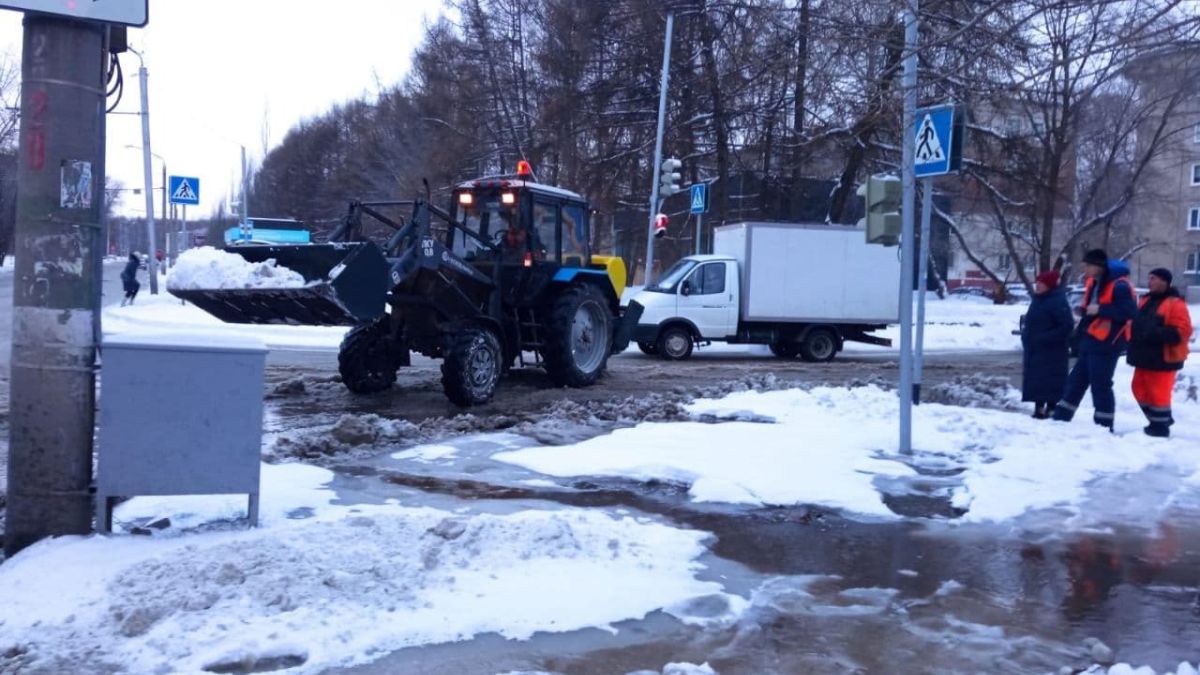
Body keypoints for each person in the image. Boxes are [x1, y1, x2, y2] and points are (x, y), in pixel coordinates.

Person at [1052, 249, 1137, 430]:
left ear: (1099, 266)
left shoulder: (1119, 286)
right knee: (1075, 381)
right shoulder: (1094, 282)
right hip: (1091, 339)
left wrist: (1100, 310)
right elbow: (1092, 310)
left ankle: (1104, 426)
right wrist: (1083, 317)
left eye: (1088, 265)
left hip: (1108, 342)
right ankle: (1060, 420)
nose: (1086, 269)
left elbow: (1129, 312)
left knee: (1100, 384)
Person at [1127, 268, 1193, 437]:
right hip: (1143, 357)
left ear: (1165, 281)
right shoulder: (1145, 300)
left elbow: (1182, 332)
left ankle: (1160, 428)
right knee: (1138, 388)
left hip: (1164, 358)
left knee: (1159, 395)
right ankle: (1160, 419)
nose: (1150, 282)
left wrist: (1153, 332)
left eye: (1154, 278)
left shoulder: (1175, 303)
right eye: (1149, 278)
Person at [1021, 269, 1074, 419]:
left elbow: (1066, 326)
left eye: (1041, 283)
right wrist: (1026, 336)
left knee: (1051, 379)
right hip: (1036, 349)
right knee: (1036, 379)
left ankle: (1051, 408)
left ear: (1049, 285)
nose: (1037, 286)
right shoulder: (1038, 299)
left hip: (1052, 350)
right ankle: (1038, 407)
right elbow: (1031, 321)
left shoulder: (1057, 300)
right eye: (1037, 283)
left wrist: (1045, 338)